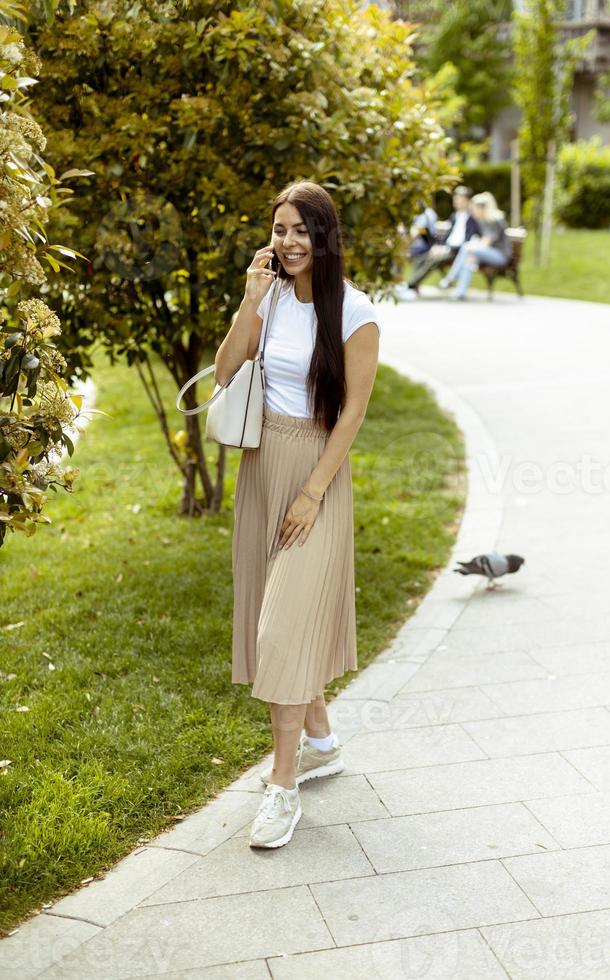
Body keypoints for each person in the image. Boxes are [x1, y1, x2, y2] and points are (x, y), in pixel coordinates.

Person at [213, 180, 381, 849]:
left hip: (317, 471)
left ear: (325, 236)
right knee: (268, 614)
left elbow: (354, 414)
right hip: (262, 464)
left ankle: (282, 788)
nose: (288, 241)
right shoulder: (273, 297)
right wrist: (249, 304)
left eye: (301, 230)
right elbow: (226, 373)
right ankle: (322, 743)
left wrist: (313, 491)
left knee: (282, 629)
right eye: (279, 229)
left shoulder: (357, 313)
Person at [396, 186, 480, 299]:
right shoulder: (454, 216)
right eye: (456, 198)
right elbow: (447, 235)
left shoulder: (473, 217)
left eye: (460, 198)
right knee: (423, 257)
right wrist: (439, 245)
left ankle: (410, 285)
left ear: (468, 200)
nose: (457, 201)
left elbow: (470, 238)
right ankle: (413, 286)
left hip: (458, 250)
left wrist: (446, 249)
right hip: (447, 247)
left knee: (434, 258)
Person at [439, 191, 511, 300]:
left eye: (475, 209)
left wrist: (473, 247)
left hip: (500, 256)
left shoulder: (495, 221)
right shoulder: (482, 221)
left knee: (467, 249)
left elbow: (487, 243)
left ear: (482, 208)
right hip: (486, 253)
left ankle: (450, 278)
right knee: (470, 259)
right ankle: (460, 293)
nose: (473, 212)